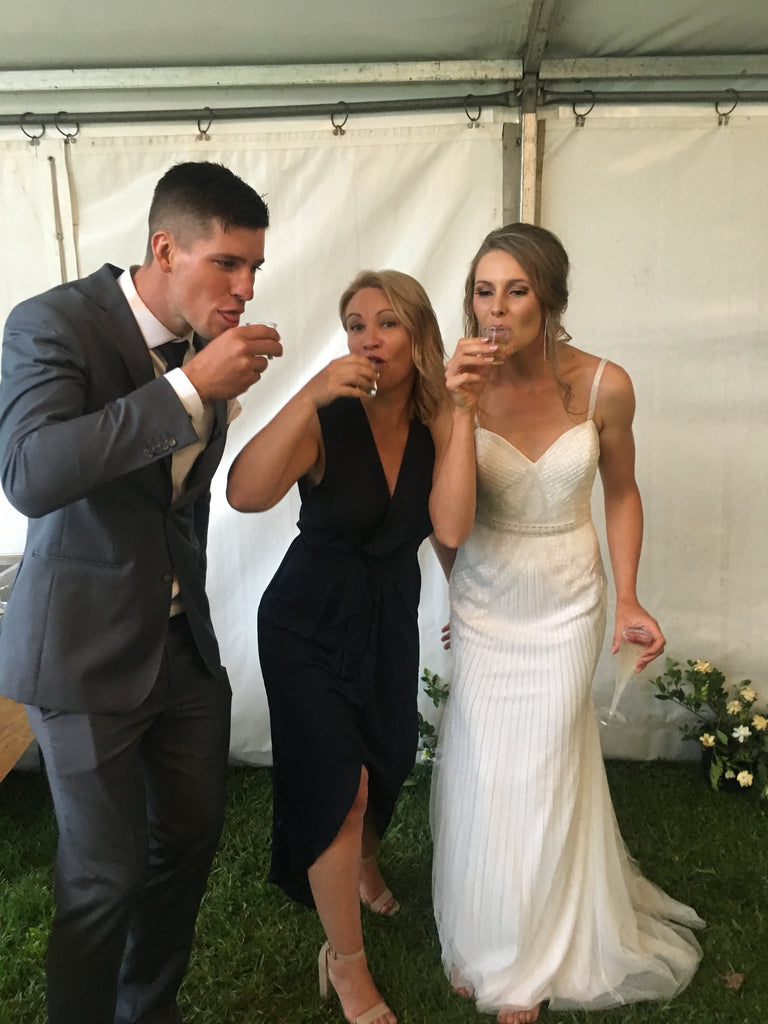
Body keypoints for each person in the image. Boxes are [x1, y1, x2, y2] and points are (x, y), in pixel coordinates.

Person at [0, 161, 281, 1024]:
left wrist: (202, 377)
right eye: (227, 264)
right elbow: (31, 473)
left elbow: (176, 505)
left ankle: (145, 1010)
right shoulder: (53, 323)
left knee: (190, 842)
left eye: (255, 270)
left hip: (181, 649)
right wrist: (190, 388)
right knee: (101, 876)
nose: (244, 288)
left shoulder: (207, 343)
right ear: (165, 247)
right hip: (83, 652)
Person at [428, 223, 704, 1024]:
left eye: (516, 290)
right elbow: (447, 527)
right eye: (484, 290)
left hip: (568, 594)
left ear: (549, 296)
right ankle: (488, 933)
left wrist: (631, 596)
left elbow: (621, 490)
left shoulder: (604, 385)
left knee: (546, 761)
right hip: (484, 593)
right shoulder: (456, 384)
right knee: (486, 763)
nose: (497, 308)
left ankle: (539, 952)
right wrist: (456, 411)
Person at [227, 269, 448, 1024]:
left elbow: (448, 530)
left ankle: (362, 862)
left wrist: (472, 606)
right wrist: (311, 391)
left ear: (420, 337)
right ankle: (346, 967)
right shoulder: (331, 416)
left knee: (385, 759)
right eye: (355, 324)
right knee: (340, 786)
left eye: (386, 323)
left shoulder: (434, 425)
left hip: (387, 619)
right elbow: (244, 492)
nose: (369, 339)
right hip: (305, 623)